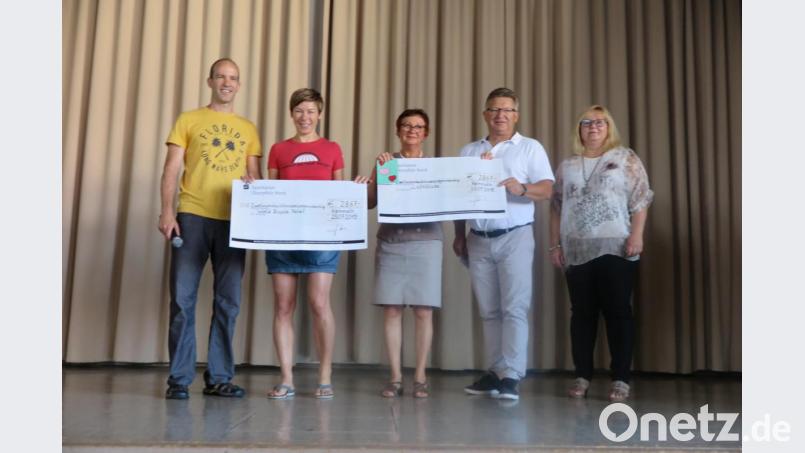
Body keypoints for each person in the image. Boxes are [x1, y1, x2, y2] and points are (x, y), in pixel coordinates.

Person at [158, 58, 263, 400]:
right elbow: (171, 168)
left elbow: (255, 177)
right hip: (192, 216)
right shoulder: (188, 119)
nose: (226, 82)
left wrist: (253, 185)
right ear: (210, 81)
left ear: (239, 85)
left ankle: (219, 378)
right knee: (182, 299)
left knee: (228, 301)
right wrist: (167, 212)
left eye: (233, 77)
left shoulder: (248, 128)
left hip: (235, 221)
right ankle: (179, 379)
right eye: (221, 76)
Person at [453, 88, 555, 400]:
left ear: (516, 115)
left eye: (507, 110)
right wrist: (459, 234)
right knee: (489, 310)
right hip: (478, 238)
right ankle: (495, 371)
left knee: (514, 308)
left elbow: (547, 189)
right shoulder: (469, 151)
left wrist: (521, 188)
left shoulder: (529, 148)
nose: (500, 115)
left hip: (515, 236)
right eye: (495, 109)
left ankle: (511, 374)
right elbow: (458, 196)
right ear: (485, 114)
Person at [549, 105, 653, 402]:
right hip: (577, 249)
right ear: (579, 129)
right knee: (582, 314)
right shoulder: (568, 165)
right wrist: (555, 244)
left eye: (600, 122)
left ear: (609, 128)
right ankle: (582, 375)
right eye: (587, 122)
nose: (593, 127)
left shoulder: (625, 158)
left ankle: (620, 379)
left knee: (618, 312)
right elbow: (556, 207)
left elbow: (641, 199)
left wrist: (637, 235)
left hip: (616, 246)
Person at [265, 88, 344, 400]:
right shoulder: (278, 149)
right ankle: (286, 378)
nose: (305, 117)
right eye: (299, 111)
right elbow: (270, 191)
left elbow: (339, 192)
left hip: (322, 237)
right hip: (282, 236)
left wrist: (354, 190)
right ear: (291, 114)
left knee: (319, 304)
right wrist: (251, 190)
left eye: (311, 111)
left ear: (319, 115)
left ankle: (325, 375)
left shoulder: (332, 149)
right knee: (283, 306)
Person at [363, 109, 442, 399]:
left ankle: (420, 376)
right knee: (392, 309)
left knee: (423, 310)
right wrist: (370, 181)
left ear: (426, 133)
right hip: (392, 241)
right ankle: (395, 377)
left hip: (427, 242)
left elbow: (452, 199)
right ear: (398, 131)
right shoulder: (386, 163)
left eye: (418, 126)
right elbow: (370, 202)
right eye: (407, 125)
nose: (412, 130)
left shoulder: (436, 167)